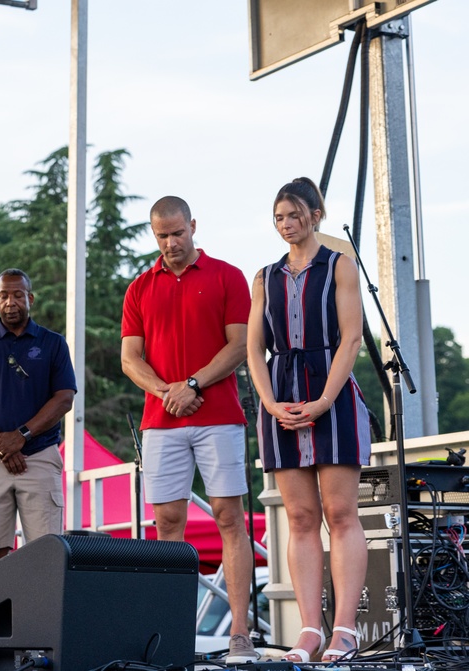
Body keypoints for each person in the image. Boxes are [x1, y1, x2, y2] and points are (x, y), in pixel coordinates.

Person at [120, 196, 258, 664]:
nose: (171, 242)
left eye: (178, 233)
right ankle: (171, 634)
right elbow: (129, 358)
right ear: (152, 233)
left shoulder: (227, 276)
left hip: (218, 415)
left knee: (228, 517)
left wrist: (193, 383)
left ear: (193, 226)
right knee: (167, 525)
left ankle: (240, 633)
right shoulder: (139, 287)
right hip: (162, 421)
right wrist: (167, 392)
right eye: (162, 235)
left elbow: (240, 345)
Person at [247, 177, 370, 663]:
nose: (286, 224)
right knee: (299, 517)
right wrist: (270, 403)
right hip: (281, 394)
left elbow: (352, 339)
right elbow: (254, 349)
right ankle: (310, 631)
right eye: (278, 217)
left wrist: (323, 401)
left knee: (341, 514)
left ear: (315, 215)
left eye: (294, 215)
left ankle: (344, 630)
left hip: (331, 391)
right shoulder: (264, 276)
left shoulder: (340, 266)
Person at [0, 269, 76, 571]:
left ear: (30, 299)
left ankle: (41, 620)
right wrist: (2, 443)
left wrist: (21, 436)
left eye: (18, 294)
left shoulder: (54, 343)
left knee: (44, 555)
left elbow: (64, 398)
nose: (12, 301)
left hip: (39, 456)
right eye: (5, 295)